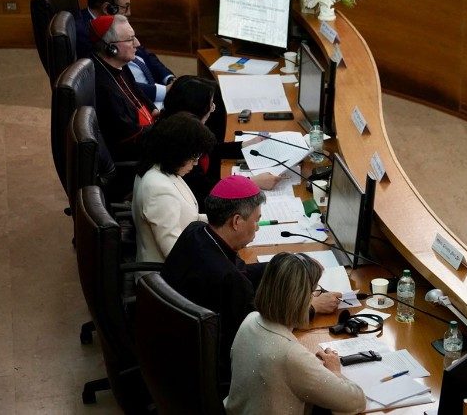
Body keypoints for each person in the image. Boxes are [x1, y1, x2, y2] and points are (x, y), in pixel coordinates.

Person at [159, 176, 342, 380]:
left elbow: (241, 269)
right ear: (237, 221)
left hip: (170, 346)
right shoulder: (229, 280)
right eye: (256, 220)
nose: (257, 227)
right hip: (211, 372)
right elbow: (265, 334)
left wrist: (289, 266)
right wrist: (312, 307)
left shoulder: (197, 231)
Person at [225, 252, 366, 415]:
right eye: (314, 291)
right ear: (300, 299)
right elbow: (355, 401)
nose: (314, 296)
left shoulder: (250, 320)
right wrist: (334, 371)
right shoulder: (290, 355)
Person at [161, 75, 282, 204]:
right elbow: (204, 189)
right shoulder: (178, 147)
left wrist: (248, 144)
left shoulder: (181, 128)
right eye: (210, 106)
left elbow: (212, 149)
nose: (213, 109)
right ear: (195, 111)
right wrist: (252, 182)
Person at [131, 112, 216, 263]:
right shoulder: (158, 190)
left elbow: (188, 218)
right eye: (194, 157)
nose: (196, 163)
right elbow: (174, 254)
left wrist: (223, 221)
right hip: (165, 278)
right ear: (178, 152)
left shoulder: (162, 168)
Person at [76, 0, 175, 107]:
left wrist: (169, 78)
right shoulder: (83, 34)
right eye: (126, 6)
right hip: (135, 102)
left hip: (154, 90)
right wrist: (163, 91)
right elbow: (112, 82)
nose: (129, 12)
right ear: (107, 8)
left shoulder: (114, 19)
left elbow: (144, 53)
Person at [90, 14, 157, 161]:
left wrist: (154, 109)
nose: (137, 43)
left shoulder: (118, 63)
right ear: (111, 48)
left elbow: (136, 91)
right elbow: (127, 136)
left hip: (146, 129)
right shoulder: (103, 87)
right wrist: (163, 129)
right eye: (130, 39)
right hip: (135, 154)